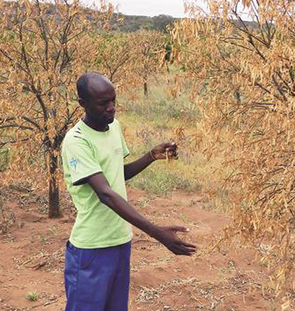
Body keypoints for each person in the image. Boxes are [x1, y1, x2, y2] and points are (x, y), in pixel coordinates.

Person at [61, 72, 196, 311]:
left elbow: (116, 173)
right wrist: (157, 233)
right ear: (83, 104)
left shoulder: (113, 128)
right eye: (103, 103)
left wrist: (151, 156)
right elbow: (105, 193)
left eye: (113, 100)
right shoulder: (76, 141)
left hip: (120, 241)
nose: (111, 108)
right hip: (92, 248)